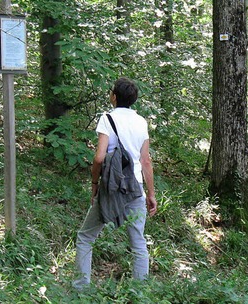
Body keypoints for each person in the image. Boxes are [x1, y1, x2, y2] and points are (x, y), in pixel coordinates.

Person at [73, 77, 157, 290]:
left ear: (114, 97)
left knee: (85, 236)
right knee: (138, 242)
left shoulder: (107, 118)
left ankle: (81, 288)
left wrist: (94, 183)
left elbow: (99, 157)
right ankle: (140, 292)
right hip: (135, 187)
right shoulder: (141, 122)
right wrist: (151, 194)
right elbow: (145, 160)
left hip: (111, 188)